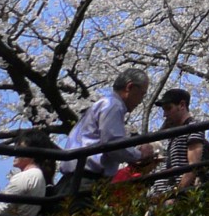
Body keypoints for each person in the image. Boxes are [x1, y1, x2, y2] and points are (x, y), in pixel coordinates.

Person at [56, 68, 154, 201]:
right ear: (129, 87)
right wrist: (140, 155)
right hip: (87, 179)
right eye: (142, 94)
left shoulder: (104, 103)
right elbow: (114, 146)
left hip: (75, 176)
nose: (141, 100)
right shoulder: (113, 105)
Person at [149, 89, 209, 199]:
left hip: (175, 197)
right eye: (164, 110)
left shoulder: (193, 127)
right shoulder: (172, 133)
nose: (165, 114)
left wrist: (175, 194)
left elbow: (193, 166)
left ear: (182, 105)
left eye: (169, 108)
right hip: (160, 198)